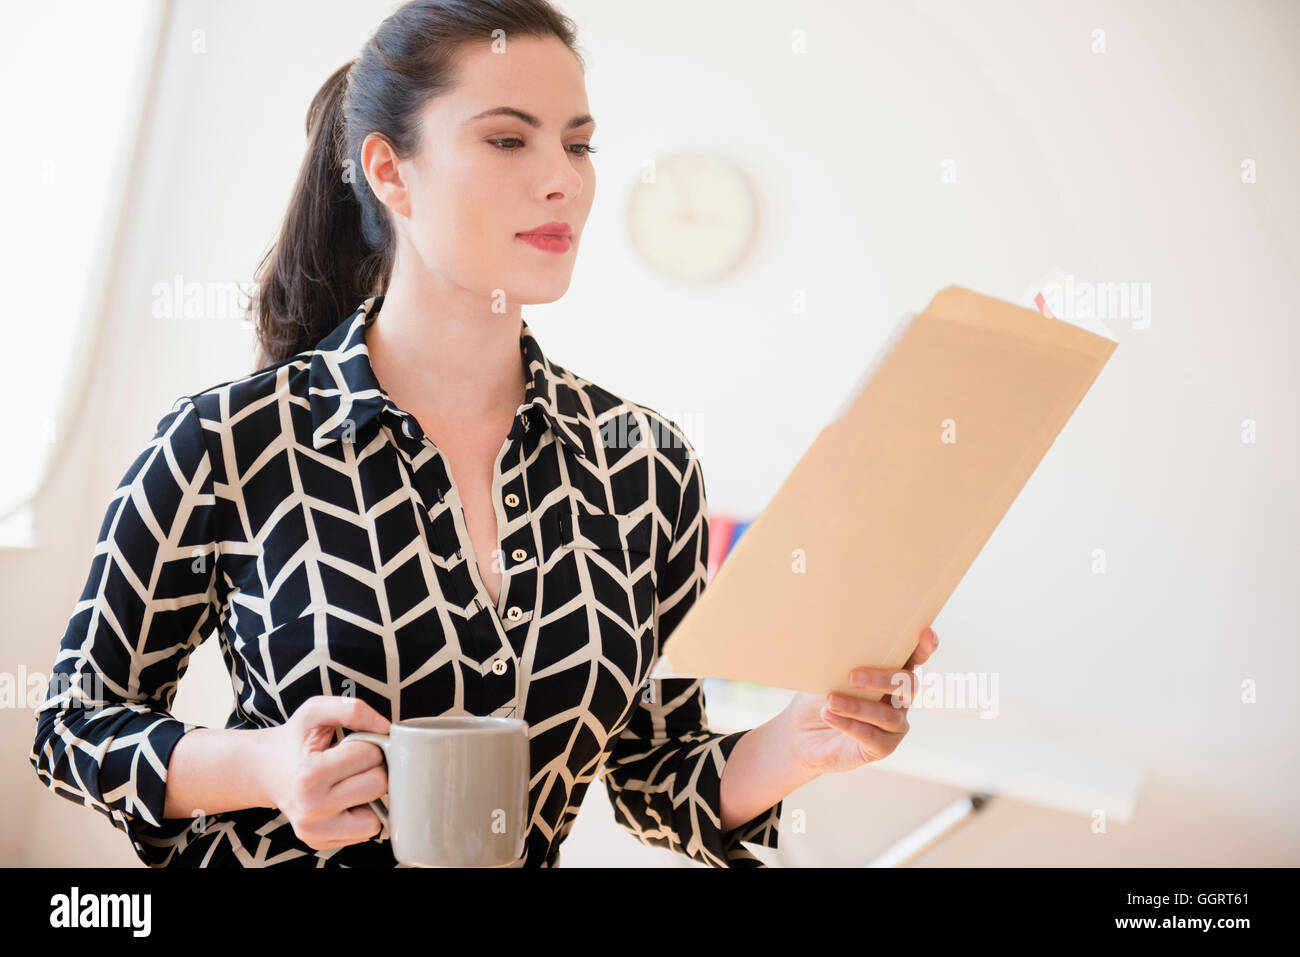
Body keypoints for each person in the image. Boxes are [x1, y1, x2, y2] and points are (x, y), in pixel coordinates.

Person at [29, 0, 939, 868]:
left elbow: (660, 776)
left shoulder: (644, 463)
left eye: (578, 145)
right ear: (389, 172)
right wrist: (264, 765)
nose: (564, 180)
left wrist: (805, 737)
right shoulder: (229, 439)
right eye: (508, 139)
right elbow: (72, 725)